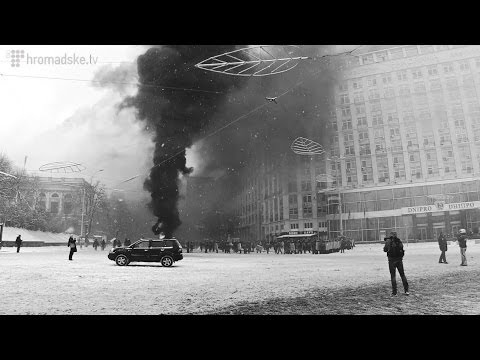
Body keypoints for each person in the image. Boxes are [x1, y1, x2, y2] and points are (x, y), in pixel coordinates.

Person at [383, 231, 409, 296]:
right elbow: (401, 248)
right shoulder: (398, 241)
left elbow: (385, 249)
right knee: (402, 275)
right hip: (399, 260)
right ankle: (406, 290)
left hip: (391, 260)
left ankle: (394, 292)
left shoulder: (388, 241)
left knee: (393, 276)